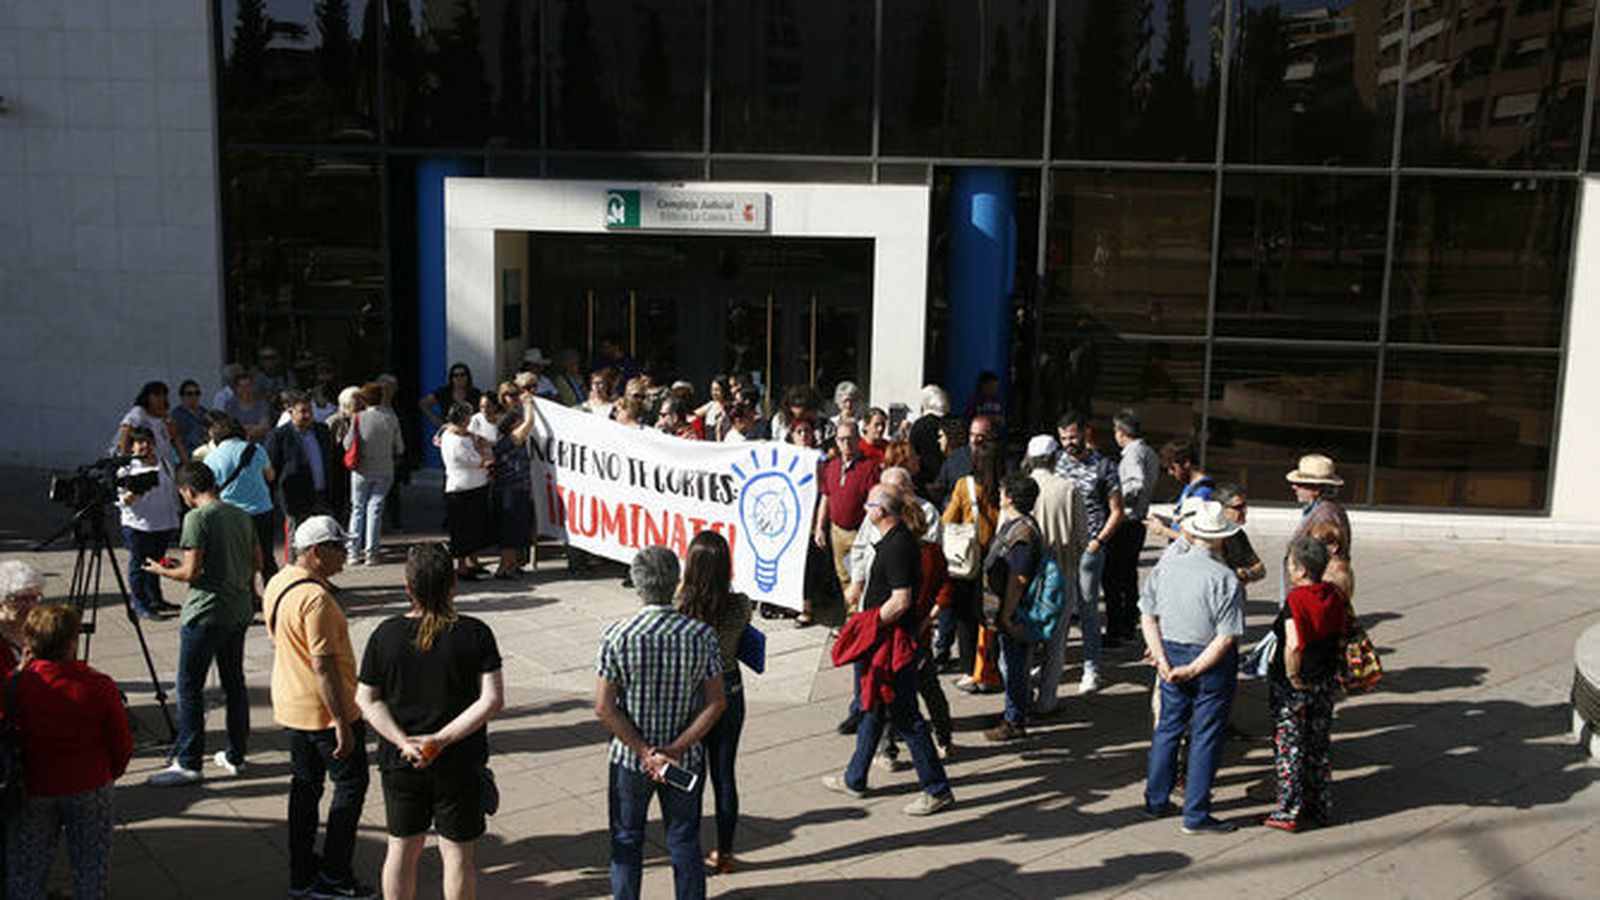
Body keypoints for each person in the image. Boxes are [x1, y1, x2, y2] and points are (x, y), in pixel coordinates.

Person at [357, 544, 504, 900]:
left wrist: (402, 741)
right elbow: (492, 700)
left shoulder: (385, 635)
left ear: (408, 588)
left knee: (402, 848)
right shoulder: (475, 633)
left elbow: (366, 699)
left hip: (402, 762)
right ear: (453, 585)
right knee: (457, 854)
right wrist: (440, 739)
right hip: (459, 760)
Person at [594, 547, 726, 900]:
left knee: (626, 838)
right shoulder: (701, 635)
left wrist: (645, 752)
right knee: (684, 838)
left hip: (630, 759)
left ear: (637, 585)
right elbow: (716, 702)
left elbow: (604, 708)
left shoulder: (618, 635)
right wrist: (675, 750)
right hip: (684, 758)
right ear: (676, 581)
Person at [822, 487, 955, 816]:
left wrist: (867, 624)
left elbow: (901, 600)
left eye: (868, 503)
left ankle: (937, 789)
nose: (865, 508)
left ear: (880, 511)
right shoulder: (895, 540)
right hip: (887, 641)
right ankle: (855, 778)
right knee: (872, 708)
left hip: (892, 644)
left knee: (906, 716)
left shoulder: (897, 546)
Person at [262, 517, 375, 899]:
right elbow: (323, 666)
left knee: (305, 787)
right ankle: (334, 877)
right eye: (338, 547)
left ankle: (301, 873)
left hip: (292, 703)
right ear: (315, 552)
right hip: (324, 710)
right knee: (351, 785)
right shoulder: (317, 599)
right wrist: (341, 721)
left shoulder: (279, 581)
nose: (345, 553)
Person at [2, 604, 132, 900]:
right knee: (90, 864)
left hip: (33, 785)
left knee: (27, 866)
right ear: (72, 642)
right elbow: (120, 742)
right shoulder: (98, 685)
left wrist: (19, 671)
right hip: (89, 784)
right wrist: (110, 773)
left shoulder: (16, 685)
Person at [145, 462, 259, 787]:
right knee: (234, 684)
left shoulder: (197, 518)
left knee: (190, 688)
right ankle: (236, 755)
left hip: (205, 613)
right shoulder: (240, 514)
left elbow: (191, 571)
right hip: (237, 610)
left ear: (188, 490)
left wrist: (161, 571)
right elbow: (257, 562)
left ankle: (189, 761)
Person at [1139, 501, 1246, 834]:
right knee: (1205, 736)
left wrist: (1162, 660)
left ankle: (1155, 800)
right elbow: (1225, 637)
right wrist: (1195, 668)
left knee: (1168, 728)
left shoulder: (1166, 566)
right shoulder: (1225, 579)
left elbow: (1148, 616)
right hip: (1210, 661)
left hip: (1171, 651)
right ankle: (1196, 814)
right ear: (1221, 538)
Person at [674, 532, 752, 877]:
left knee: (691, 774)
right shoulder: (740, 604)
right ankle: (726, 852)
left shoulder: (681, 606)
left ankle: (688, 847)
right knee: (724, 775)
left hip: (693, 694)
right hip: (730, 689)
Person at [1263, 536, 1348, 832]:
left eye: (1290, 564)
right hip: (1324, 680)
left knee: (1290, 745)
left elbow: (1294, 644)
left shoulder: (1296, 600)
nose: (1287, 569)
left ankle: (1288, 809)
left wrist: (1292, 675)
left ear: (1301, 570)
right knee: (1318, 743)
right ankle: (1320, 802)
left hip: (1296, 685)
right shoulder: (1334, 594)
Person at [1055, 410, 1124, 694]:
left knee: (1087, 609)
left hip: (1089, 548)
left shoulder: (1104, 466)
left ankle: (1091, 666)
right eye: (1063, 438)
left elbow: (1117, 511)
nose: (1068, 443)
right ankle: (1054, 662)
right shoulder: (1056, 463)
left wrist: (1099, 541)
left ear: (1085, 432)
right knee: (1057, 606)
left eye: (1072, 437)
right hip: (1060, 546)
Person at [1021, 436, 1088, 716]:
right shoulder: (1068, 489)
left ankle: (1022, 694)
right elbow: (1082, 537)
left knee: (1024, 638)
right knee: (1056, 640)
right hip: (1062, 571)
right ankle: (1047, 699)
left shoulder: (1020, 487)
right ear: (1054, 458)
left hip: (1024, 575)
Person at [983, 472, 1045, 742]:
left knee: (1013, 665)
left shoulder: (1022, 533)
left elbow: (1018, 580)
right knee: (1010, 662)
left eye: (1003, 491)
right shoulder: (1018, 525)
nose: (999, 495)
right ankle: (1016, 708)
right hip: (1007, 610)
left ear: (1009, 498)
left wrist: (1007, 616)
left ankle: (1014, 720)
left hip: (1015, 612)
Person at [945, 441, 1003, 694]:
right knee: (992, 618)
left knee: (966, 618)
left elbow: (948, 519)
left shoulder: (964, 485)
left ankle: (970, 671)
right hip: (996, 561)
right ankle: (991, 670)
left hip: (968, 561)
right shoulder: (1004, 489)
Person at [205, 412, 280, 582]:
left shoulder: (211, 457)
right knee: (266, 557)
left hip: (231, 515)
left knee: (240, 559)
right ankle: (275, 592)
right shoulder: (256, 449)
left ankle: (248, 595)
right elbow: (270, 476)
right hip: (261, 511)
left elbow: (210, 488)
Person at [117, 426, 182, 618]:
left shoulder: (163, 462)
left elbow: (171, 490)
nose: (145, 445)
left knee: (156, 563)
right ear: (132, 446)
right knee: (139, 565)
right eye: (140, 442)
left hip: (162, 523)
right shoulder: (126, 469)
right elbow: (121, 500)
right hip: (138, 525)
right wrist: (133, 494)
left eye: (149, 441)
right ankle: (140, 604)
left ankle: (156, 599)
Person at [265, 393, 338, 565]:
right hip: (295, 497)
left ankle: (321, 573)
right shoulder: (279, 436)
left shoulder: (322, 431)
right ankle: (295, 573)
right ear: (290, 412)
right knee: (297, 540)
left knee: (323, 538)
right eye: (303, 411)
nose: (308, 415)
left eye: (310, 410)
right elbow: (271, 468)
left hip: (321, 494)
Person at [1107, 410, 1159, 646]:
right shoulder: (1147, 451)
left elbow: (1136, 483)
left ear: (1121, 432)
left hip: (1127, 522)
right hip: (1135, 522)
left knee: (1115, 578)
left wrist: (1114, 498)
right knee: (1127, 577)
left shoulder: (1133, 453)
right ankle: (1127, 626)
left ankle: (1119, 628)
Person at [814, 419, 880, 605]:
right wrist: (819, 527)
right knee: (843, 576)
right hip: (837, 531)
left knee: (861, 578)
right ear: (836, 441)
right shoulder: (832, 466)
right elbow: (826, 497)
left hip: (860, 532)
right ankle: (850, 614)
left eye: (850, 438)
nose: (846, 443)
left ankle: (859, 616)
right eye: (842, 439)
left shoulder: (869, 467)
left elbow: (874, 502)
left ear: (858, 439)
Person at [344, 383, 406, 566]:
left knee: (357, 509)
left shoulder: (358, 418)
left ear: (364, 400)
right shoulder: (391, 418)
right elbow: (399, 447)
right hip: (384, 468)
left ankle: (353, 552)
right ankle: (372, 552)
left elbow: (347, 444)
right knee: (375, 509)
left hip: (361, 469)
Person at [1283, 454, 1353, 601]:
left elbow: (1323, 560)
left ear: (1315, 489)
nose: (1294, 487)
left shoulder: (1325, 515)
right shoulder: (1318, 509)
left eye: (1300, 484)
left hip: (1310, 594)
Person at [440, 402, 492, 581]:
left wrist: (474, 438)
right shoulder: (455, 441)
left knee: (476, 528)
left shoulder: (457, 434)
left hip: (476, 486)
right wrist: (484, 451)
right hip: (461, 489)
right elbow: (479, 460)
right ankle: (462, 567)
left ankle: (473, 562)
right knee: (463, 529)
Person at [490, 390, 537, 580]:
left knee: (515, 529)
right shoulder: (510, 440)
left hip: (513, 489)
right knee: (510, 529)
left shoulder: (503, 440)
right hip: (510, 490)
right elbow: (530, 423)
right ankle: (505, 567)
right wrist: (529, 404)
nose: (521, 423)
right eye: (518, 421)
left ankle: (511, 565)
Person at [1147, 440, 1215, 543]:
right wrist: (1165, 520)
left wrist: (1162, 530)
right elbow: (1183, 521)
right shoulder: (1190, 486)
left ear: (1186, 463)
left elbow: (1193, 538)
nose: (1170, 473)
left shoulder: (1202, 492)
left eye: (1173, 468)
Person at [115, 380, 186, 470]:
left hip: (160, 464)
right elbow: (125, 432)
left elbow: (177, 442)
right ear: (147, 397)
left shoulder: (166, 419)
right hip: (138, 465)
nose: (160, 399)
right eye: (156, 395)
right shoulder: (139, 412)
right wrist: (124, 460)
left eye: (163, 395)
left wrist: (187, 464)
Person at [931, 415, 995, 510]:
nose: (974, 440)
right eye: (971, 434)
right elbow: (941, 487)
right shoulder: (955, 458)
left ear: (991, 436)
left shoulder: (998, 459)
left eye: (980, 436)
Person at [1215, 483, 1267, 585]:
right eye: (1238, 507)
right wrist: (1235, 573)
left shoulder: (1238, 535)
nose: (1244, 511)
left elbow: (1260, 569)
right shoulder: (1210, 539)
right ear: (1221, 509)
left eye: (1244, 506)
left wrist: (1246, 573)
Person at [907, 385, 949, 500]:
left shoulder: (919, 425)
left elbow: (912, 450)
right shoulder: (953, 423)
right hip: (949, 478)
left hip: (924, 479)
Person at [0, 561, 43, 671]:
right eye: (21, 599)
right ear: (2, 601)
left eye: (34, 598)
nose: (30, 605)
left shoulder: (40, 629)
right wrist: (20, 670)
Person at [420, 363, 482, 432]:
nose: (459, 378)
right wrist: (435, 419)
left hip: (470, 432)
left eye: (462, 375)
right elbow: (423, 404)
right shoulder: (444, 393)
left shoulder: (475, 394)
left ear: (468, 377)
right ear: (451, 378)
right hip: (448, 431)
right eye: (455, 376)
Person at [225, 371, 274, 442]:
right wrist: (250, 428)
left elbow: (265, 427)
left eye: (248, 385)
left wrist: (244, 429)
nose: (245, 389)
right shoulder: (231, 405)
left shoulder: (261, 403)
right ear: (236, 389)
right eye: (241, 386)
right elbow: (230, 427)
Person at [171, 379, 211, 456]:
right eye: (189, 394)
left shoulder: (204, 412)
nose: (194, 397)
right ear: (182, 396)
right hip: (187, 454)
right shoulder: (176, 415)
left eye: (197, 393)